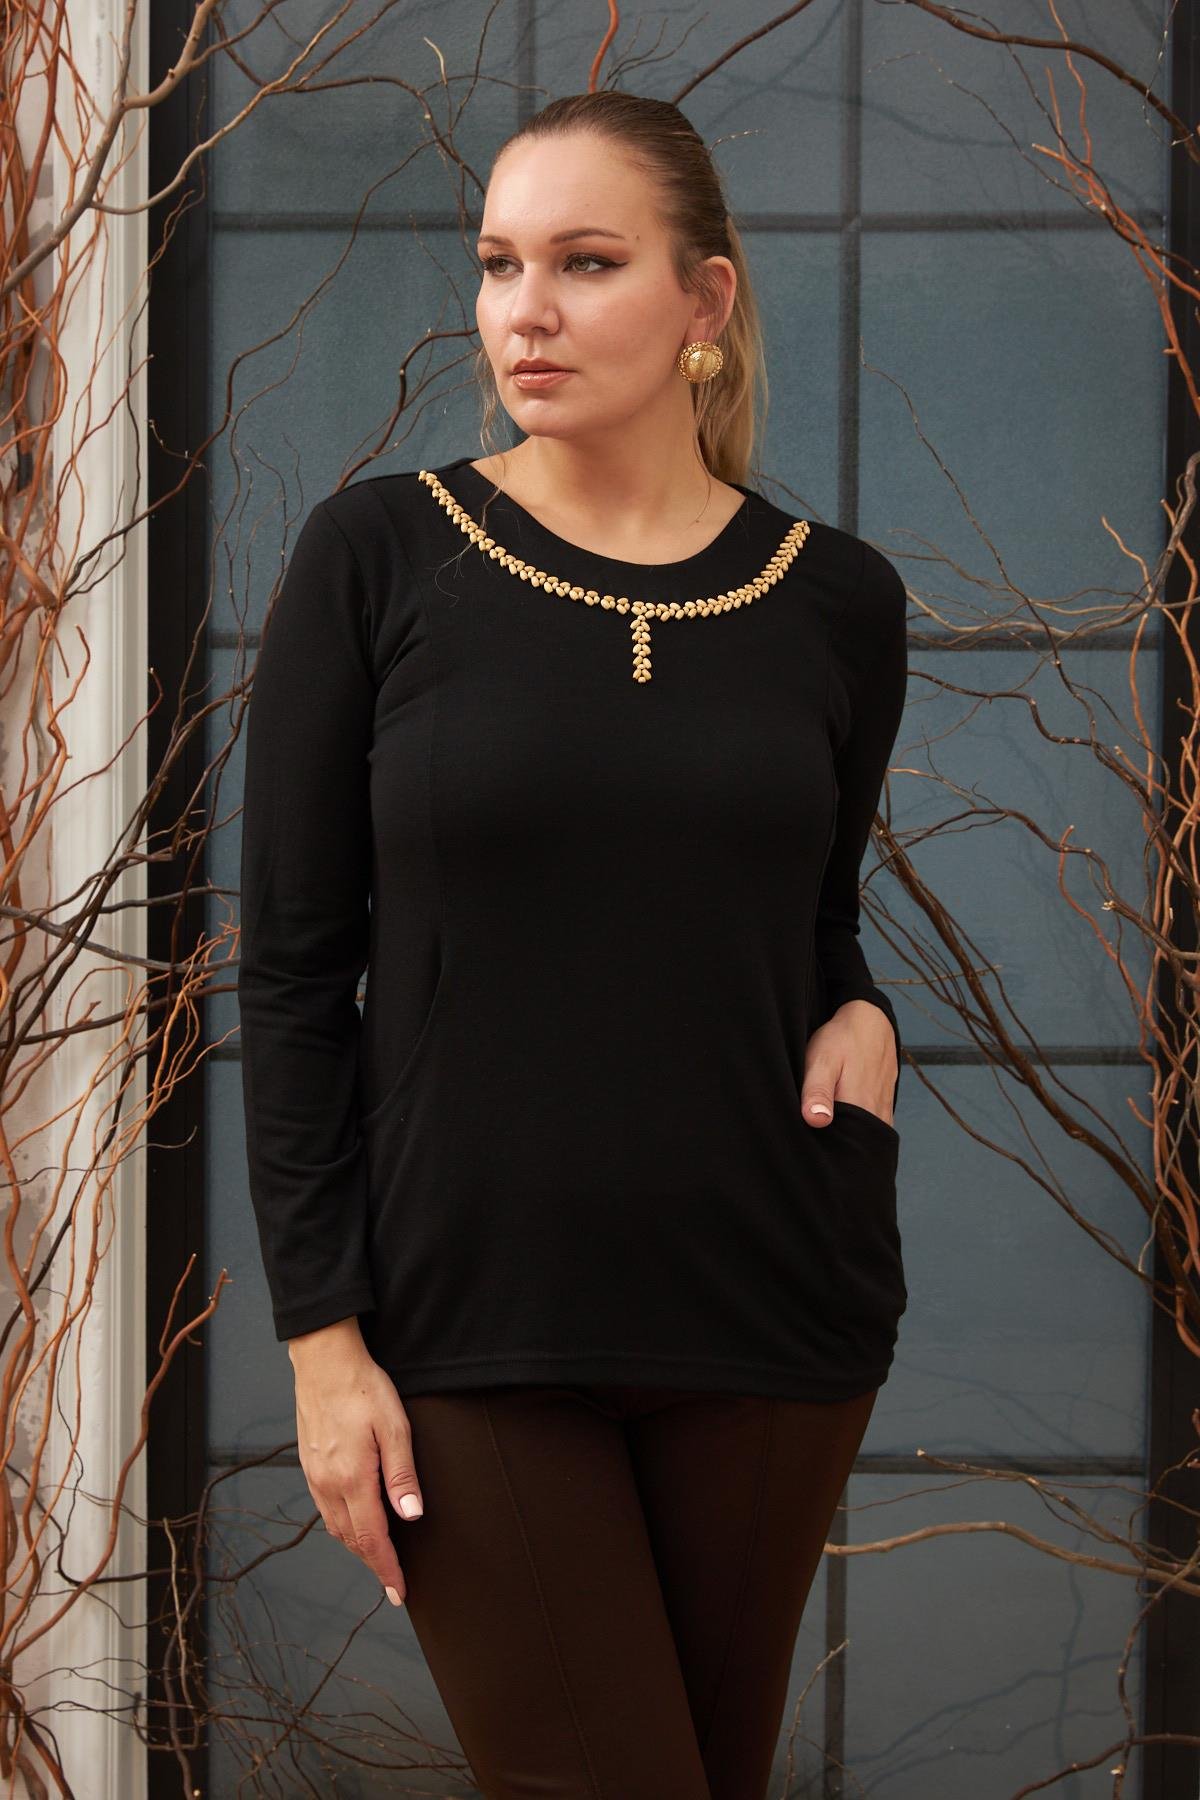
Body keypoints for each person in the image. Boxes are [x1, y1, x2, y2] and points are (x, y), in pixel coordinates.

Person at [237, 89, 908, 1800]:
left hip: (768, 1311)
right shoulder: (379, 556)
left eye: (586, 263)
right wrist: (323, 1343)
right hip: (466, 1321)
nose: (523, 311)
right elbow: (295, 975)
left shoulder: (836, 600)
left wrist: (863, 1009)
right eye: (498, 264)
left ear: (704, 300)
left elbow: (805, 911)